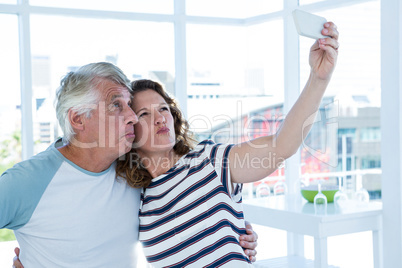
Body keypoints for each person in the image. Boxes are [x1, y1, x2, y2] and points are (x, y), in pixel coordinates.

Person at [115, 21, 339, 267]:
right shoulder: (137, 199)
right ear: (130, 130)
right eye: (145, 114)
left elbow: (280, 147)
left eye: (163, 109)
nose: (159, 118)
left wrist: (318, 79)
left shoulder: (208, 160)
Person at [4, 62, 258, 267]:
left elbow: (186, 214)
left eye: (128, 105)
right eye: (116, 105)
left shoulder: (132, 173)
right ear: (78, 119)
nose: (132, 116)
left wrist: (236, 233)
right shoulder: (29, 181)